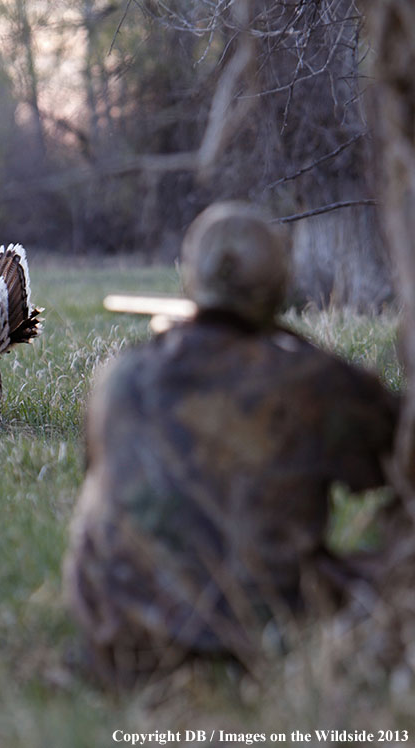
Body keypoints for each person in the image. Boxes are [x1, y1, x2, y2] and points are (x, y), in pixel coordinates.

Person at [64, 202, 399, 684]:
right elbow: (396, 448)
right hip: (263, 642)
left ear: (191, 279)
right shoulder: (310, 382)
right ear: (280, 284)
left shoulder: (119, 376)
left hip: (119, 639)